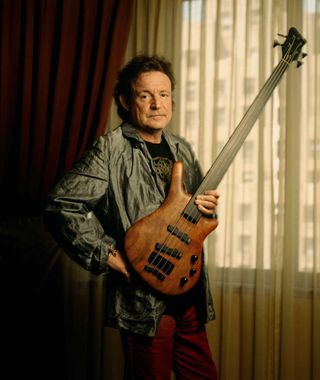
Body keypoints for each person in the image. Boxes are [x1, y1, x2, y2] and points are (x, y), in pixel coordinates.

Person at [44, 54, 220, 380]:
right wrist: (110, 255)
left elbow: (193, 218)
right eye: (145, 95)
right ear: (126, 101)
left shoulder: (181, 148)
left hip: (190, 295)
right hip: (146, 304)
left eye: (164, 94)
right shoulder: (109, 150)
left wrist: (206, 208)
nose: (157, 104)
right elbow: (61, 204)